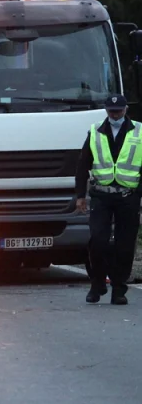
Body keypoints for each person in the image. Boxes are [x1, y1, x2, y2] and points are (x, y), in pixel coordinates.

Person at [76, 94, 142, 305]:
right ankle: (97, 284)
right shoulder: (95, 131)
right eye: (111, 111)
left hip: (128, 196)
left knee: (125, 246)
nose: (115, 115)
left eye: (118, 111)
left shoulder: (139, 132)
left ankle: (118, 290)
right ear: (106, 110)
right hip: (101, 196)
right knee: (98, 241)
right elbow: (82, 165)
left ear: (125, 110)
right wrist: (80, 196)